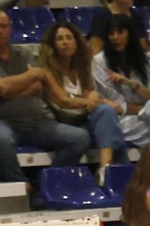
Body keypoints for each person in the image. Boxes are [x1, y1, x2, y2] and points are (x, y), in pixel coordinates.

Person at [0, 9, 90, 182]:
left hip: (37, 122)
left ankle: (47, 184)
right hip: (4, 123)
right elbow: (4, 88)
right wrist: (32, 75)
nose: (0, 30)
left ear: (10, 29)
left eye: (3, 26)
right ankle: (23, 186)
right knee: (1, 140)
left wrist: (10, 89)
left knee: (80, 137)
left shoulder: (24, 54)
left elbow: (38, 86)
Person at [37, 20, 127, 177]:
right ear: (52, 45)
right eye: (60, 39)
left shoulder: (80, 67)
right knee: (108, 120)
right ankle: (117, 176)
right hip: (59, 123)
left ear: (76, 42)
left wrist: (95, 97)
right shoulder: (46, 71)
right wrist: (99, 100)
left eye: (69, 38)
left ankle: (105, 170)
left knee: (107, 115)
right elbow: (64, 101)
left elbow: (89, 93)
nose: (65, 42)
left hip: (82, 120)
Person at [92, 14, 150, 148]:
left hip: (146, 116)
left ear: (130, 33)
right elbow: (117, 106)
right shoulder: (100, 61)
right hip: (119, 122)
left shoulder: (145, 58)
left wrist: (132, 85)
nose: (116, 38)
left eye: (120, 32)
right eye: (111, 33)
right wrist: (143, 107)